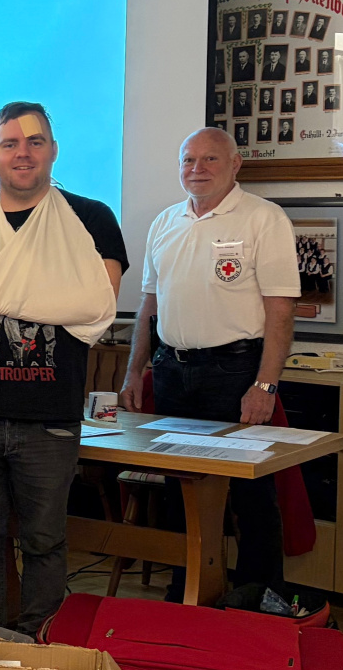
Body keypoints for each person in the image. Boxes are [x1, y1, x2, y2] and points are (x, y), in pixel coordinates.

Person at [0, 103, 126, 637]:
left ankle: (41, 644)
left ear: (53, 150)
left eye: (35, 141)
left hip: (49, 416)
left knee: (44, 540)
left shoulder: (91, 218)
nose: (23, 153)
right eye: (11, 144)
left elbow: (98, 305)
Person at [121, 127, 300, 590]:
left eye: (210, 159)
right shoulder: (165, 222)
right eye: (188, 160)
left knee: (250, 493)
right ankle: (190, 590)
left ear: (235, 164)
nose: (196, 169)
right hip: (172, 371)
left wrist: (265, 385)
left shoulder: (264, 218)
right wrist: (134, 371)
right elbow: (149, 305)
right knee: (181, 489)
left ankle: (259, 597)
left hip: (235, 372)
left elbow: (281, 310)